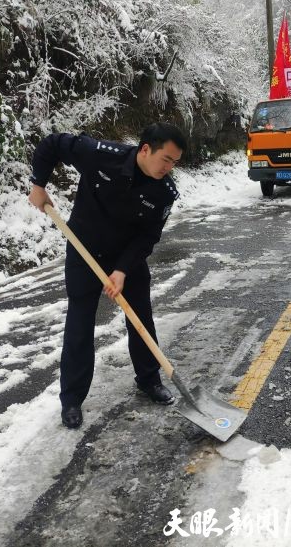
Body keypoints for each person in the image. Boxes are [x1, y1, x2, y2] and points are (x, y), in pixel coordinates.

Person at [28, 123, 187, 429]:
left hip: (125, 257)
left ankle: (149, 379)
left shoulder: (164, 192)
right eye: (165, 159)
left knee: (140, 315)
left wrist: (123, 270)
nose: (168, 168)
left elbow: (148, 236)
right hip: (84, 249)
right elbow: (52, 144)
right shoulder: (100, 155)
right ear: (145, 150)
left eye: (174, 163)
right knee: (80, 320)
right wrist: (38, 184)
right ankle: (71, 399)